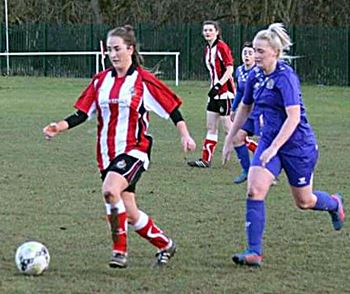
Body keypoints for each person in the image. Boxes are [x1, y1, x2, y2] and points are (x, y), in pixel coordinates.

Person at [43, 25, 196, 269]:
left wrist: (185, 135)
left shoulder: (143, 80)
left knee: (110, 190)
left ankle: (119, 252)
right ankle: (166, 245)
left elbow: (172, 109)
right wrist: (59, 126)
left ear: (130, 49)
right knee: (130, 211)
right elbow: (82, 113)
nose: (113, 54)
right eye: (109, 50)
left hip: (135, 150)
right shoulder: (100, 81)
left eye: (117, 49)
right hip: (106, 155)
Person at [222, 23, 345, 267]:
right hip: (270, 142)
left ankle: (334, 203)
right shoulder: (255, 75)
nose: (256, 55)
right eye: (254, 50)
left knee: (304, 201)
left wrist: (275, 148)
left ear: (275, 53)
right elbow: (245, 108)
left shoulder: (286, 78)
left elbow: (293, 117)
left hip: (297, 146)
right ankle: (254, 252)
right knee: (255, 190)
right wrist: (229, 138)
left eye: (261, 52)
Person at [187, 20, 235, 168]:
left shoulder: (221, 47)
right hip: (213, 93)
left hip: (225, 93)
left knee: (230, 130)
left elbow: (230, 69)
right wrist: (213, 88)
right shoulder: (208, 49)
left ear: (217, 32)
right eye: (205, 30)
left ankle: (258, 154)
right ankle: (205, 160)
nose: (207, 32)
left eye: (210, 30)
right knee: (211, 126)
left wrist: (219, 85)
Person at [230, 41, 258, 184]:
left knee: (269, 143)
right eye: (244, 53)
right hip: (247, 113)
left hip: (260, 113)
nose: (247, 56)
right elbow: (240, 92)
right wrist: (233, 108)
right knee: (237, 138)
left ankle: (270, 173)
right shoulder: (239, 71)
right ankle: (247, 170)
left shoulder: (259, 71)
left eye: (250, 53)